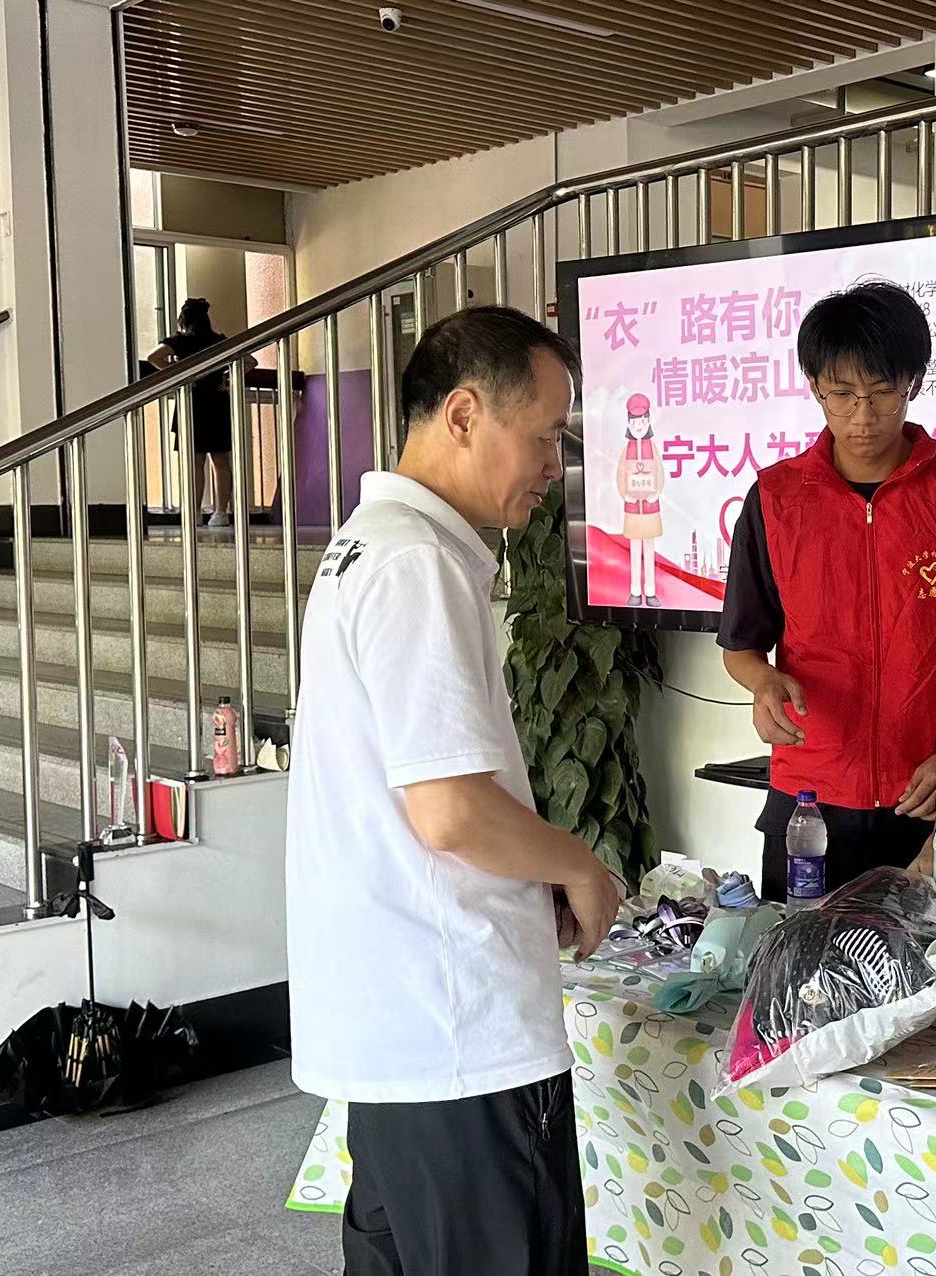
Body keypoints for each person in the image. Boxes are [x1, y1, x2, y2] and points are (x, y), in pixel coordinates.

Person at [285, 306, 620, 1276]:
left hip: (401, 1025)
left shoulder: (370, 544)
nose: (553, 465)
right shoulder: (417, 561)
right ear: (465, 415)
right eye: (544, 436)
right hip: (455, 1035)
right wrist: (578, 865)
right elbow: (450, 810)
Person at [719, 280, 936, 902]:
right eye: (842, 395)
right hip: (812, 802)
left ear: (914, 383)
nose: (862, 417)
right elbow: (741, 646)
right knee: (801, 958)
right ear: (814, 387)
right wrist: (764, 683)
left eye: (881, 394)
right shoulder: (776, 499)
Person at [145, 298, 254, 528]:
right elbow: (249, 361)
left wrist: (179, 373)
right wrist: (227, 379)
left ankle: (194, 512)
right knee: (221, 461)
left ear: (184, 319)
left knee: (195, 462)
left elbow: (153, 357)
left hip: (192, 401)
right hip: (216, 401)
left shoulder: (180, 341)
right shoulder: (219, 341)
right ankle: (221, 512)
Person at [616, 391, 666, 607]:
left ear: (649, 421)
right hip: (633, 510)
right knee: (635, 551)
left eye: (643, 421)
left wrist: (657, 492)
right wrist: (624, 494)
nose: (639, 426)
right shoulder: (625, 450)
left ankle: (651, 592)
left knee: (649, 550)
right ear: (629, 423)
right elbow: (620, 475)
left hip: (651, 509)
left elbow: (660, 473)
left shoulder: (652, 448)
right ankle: (635, 591)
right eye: (635, 422)